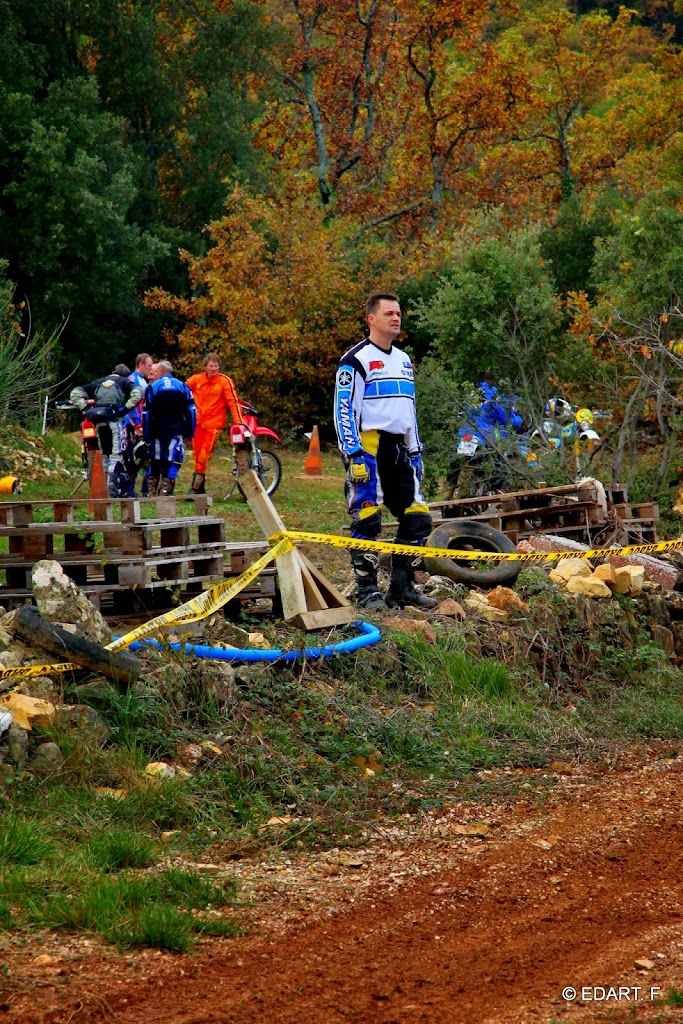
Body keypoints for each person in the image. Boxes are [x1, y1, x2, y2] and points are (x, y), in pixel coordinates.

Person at [333, 292, 436, 611]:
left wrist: (416, 452)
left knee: (418, 517)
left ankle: (401, 588)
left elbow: (410, 410)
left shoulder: (404, 360)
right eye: (389, 313)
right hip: (368, 446)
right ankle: (367, 591)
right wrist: (352, 453)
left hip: (399, 449)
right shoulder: (355, 359)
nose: (396, 317)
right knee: (367, 518)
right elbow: (343, 409)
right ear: (371, 319)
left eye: (399, 313)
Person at [70, 364, 142, 497]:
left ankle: (99, 487)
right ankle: (111, 489)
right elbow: (138, 393)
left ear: (112, 372)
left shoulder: (98, 382)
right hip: (115, 422)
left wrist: (85, 409)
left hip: (97, 422)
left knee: (103, 455)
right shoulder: (125, 382)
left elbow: (75, 393)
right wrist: (125, 409)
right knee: (116, 455)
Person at [186, 353, 245, 494]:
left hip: (213, 425)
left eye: (216, 366)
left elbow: (233, 402)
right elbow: (182, 390)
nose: (213, 369)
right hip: (198, 424)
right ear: (205, 367)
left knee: (204, 455)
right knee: (197, 454)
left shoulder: (224, 381)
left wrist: (239, 422)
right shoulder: (197, 379)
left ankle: (195, 487)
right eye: (211, 366)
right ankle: (199, 486)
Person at [143, 360, 196, 496]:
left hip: (157, 430)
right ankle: (166, 489)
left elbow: (146, 413)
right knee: (174, 457)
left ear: (162, 371)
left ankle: (152, 489)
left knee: (155, 457)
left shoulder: (153, 387)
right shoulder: (183, 386)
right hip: (177, 429)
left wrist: (146, 434)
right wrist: (190, 432)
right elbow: (191, 411)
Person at [120, 353, 153, 497]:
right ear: (140, 364)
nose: (150, 369)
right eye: (149, 366)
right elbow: (132, 405)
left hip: (138, 423)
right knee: (131, 457)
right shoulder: (134, 380)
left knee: (138, 457)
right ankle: (126, 489)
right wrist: (137, 425)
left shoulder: (141, 380)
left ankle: (129, 488)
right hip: (131, 425)